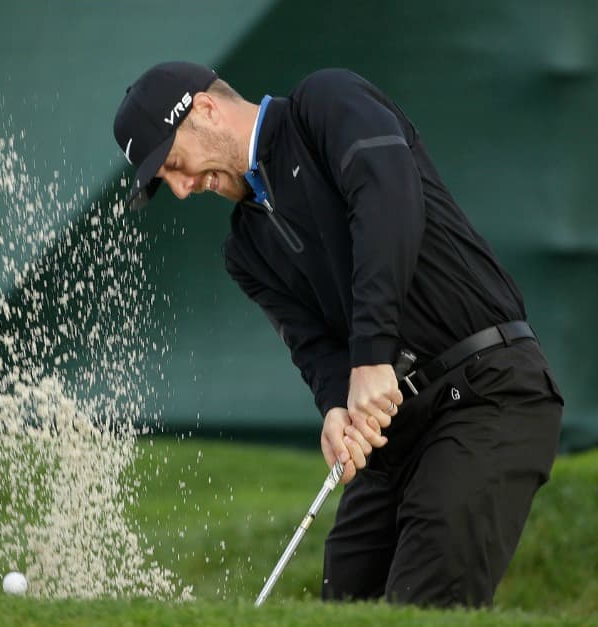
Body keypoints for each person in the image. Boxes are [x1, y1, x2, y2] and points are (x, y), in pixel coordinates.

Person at [112, 61, 564, 607]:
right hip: (397, 429)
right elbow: (314, 347)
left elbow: (388, 200)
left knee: (424, 606)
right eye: (167, 183)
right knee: (344, 602)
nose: (184, 189)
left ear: (204, 108)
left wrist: (371, 357)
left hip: (489, 386)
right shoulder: (246, 249)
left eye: (175, 164)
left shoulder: (324, 105)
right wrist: (334, 406)